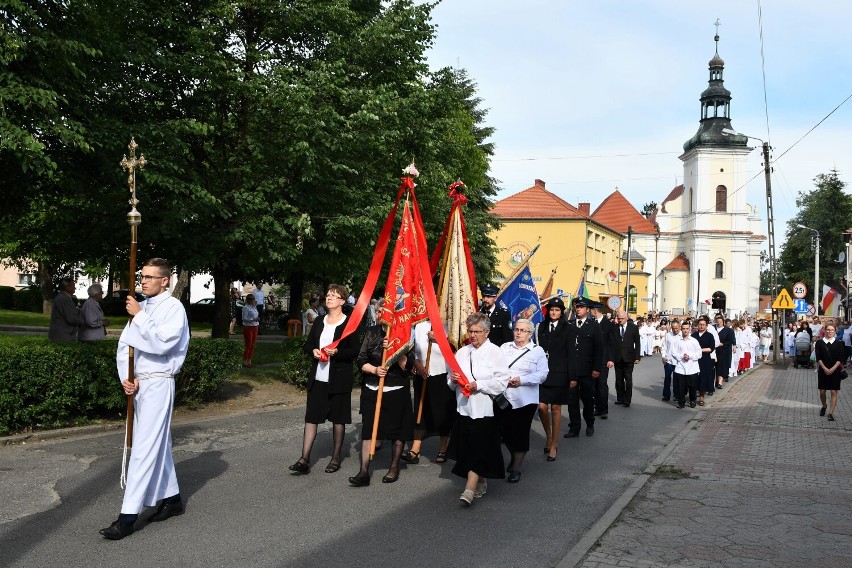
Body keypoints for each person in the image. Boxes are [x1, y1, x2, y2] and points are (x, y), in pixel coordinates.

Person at [100, 258, 190, 540]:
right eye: (142, 276)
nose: (144, 281)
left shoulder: (173, 308)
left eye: (151, 277)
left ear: (166, 281)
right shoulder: (142, 306)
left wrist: (139, 315)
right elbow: (126, 345)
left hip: (160, 383)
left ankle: (127, 516)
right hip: (140, 385)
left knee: (143, 446)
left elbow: (163, 343)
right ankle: (172, 499)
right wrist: (127, 376)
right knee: (157, 443)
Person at [289, 285, 360, 475]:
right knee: (311, 418)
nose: (329, 298)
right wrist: (312, 350)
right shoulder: (320, 320)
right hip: (318, 377)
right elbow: (308, 344)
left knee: (338, 419)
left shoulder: (349, 324)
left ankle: (336, 457)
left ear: (342, 301)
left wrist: (337, 351)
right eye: (328, 295)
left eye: (334, 296)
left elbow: (354, 351)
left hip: (339, 379)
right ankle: (304, 459)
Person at [349, 305, 415, 486]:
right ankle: (363, 472)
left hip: (395, 390)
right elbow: (361, 359)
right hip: (372, 388)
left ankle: (394, 467)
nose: (380, 315)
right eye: (378, 312)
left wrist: (396, 351)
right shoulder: (371, 332)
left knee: (397, 431)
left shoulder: (405, 334)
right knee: (368, 430)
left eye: (383, 312)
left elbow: (409, 367)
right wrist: (374, 369)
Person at [449, 312, 510, 506]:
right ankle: (480, 479)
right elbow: (451, 379)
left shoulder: (496, 352)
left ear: (487, 332)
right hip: (464, 408)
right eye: (470, 331)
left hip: (485, 408)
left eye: (476, 331)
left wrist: (479, 385)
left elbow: (502, 382)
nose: (472, 335)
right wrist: (453, 380)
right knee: (467, 447)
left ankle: (469, 488)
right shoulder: (462, 352)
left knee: (477, 447)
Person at [498, 318, 548, 483]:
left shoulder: (537, 351)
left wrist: (522, 380)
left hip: (525, 400)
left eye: (522, 330)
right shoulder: (505, 347)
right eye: (516, 329)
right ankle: (514, 457)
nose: (518, 333)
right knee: (505, 433)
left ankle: (517, 468)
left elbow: (542, 374)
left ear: (530, 333)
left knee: (520, 433)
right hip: (504, 398)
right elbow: (495, 367)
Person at [403, 320, 457, 465]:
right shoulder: (420, 325)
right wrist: (417, 364)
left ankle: (443, 448)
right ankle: (415, 448)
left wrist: (439, 339)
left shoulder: (451, 324)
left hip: (443, 373)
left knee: (442, 412)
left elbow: (456, 349)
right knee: (421, 412)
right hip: (423, 373)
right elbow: (412, 349)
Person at [564, 297, 604, 438]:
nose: (578, 309)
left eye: (581, 307)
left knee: (587, 400)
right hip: (572, 371)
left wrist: (597, 369)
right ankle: (574, 427)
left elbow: (599, 349)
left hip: (587, 371)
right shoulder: (568, 325)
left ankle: (590, 423)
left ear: (587, 309)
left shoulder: (593, 326)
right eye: (577, 307)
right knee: (572, 401)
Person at [536, 297, 570, 461]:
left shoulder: (568, 328)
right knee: (542, 407)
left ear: (562, 312)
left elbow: (571, 354)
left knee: (556, 408)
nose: (554, 312)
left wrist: (573, 376)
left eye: (557, 310)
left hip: (560, 374)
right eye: (551, 310)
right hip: (543, 374)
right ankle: (548, 436)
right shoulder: (540, 327)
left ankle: (554, 444)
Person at [815, 323, 845, 422]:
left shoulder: (839, 343)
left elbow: (840, 358)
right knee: (822, 391)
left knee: (833, 391)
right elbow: (818, 357)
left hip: (835, 370)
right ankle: (824, 405)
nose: (830, 331)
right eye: (828, 330)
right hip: (823, 370)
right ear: (825, 330)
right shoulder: (819, 342)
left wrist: (832, 369)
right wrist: (824, 368)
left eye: (832, 330)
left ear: (835, 331)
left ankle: (831, 413)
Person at [612, 310, 641, 408]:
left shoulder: (634, 328)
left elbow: (637, 343)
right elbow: (612, 344)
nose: (620, 320)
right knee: (619, 379)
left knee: (628, 379)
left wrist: (637, 357)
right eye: (618, 318)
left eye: (622, 318)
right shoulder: (614, 328)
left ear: (627, 318)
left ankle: (627, 400)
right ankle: (620, 398)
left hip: (629, 358)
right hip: (618, 358)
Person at [590, 302, 615, 418]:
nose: (590, 312)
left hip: (604, 359)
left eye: (591, 310)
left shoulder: (608, 324)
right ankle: (597, 407)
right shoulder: (591, 323)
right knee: (594, 385)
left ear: (595, 310)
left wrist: (611, 359)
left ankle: (604, 409)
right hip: (592, 359)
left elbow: (611, 343)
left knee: (602, 384)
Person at [671, 321, 702, 408]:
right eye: (683, 329)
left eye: (687, 329)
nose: (685, 330)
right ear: (681, 329)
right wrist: (682, 356)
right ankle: (681, 402)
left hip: (692, 367)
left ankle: (692, 400)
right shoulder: (678, 341)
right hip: (681, 367)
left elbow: (699, 353)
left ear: (690, 330)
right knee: (681, 386)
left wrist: (690, 356)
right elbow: (673, 352)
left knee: (692, 386)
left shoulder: (694, 341)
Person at [48, 277, 82, 342]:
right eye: (73, 286)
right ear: (67, 287)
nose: (75, 288)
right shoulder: (65, 299)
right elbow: (71, 318)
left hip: (60, 334)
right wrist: (85, 322)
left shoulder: (62, 297)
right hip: (63, 335)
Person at [692, 317, 716, 406]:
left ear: (706, 326)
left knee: (703, 378)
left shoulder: (709, 336)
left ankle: (702, 397)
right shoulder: (694, 336)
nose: (701, 326)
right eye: (700, 325)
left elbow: (711, 348)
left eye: (703, 325)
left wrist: (700, 350)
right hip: (694, 360)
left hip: (705, 359)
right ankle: (693, 396)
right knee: (694, 378)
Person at [660, 320, 681, 401]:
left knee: (677, 379)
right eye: (673, 328)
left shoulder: (682, 335)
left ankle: (676, 395)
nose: (675, 330)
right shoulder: (668, 335)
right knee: (667, 378)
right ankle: (666, 395)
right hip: (669, 361)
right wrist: (663, 356)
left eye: (676, 328)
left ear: (679, 326)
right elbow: (664, 347)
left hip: (678, 361)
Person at [714, 315, 736, 389]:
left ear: (723, 322)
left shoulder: (728, 330)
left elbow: (731, 340)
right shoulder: (713, 329)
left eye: (720, 322)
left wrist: (723, 344)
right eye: (718, 322)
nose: (719, 323)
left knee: (722, 366)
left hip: (724, 350)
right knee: (715, 366)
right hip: (715, 350)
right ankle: (716, 380)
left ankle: (720, 381)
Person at [241, 294, 260, 367]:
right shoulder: (245, 308)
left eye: (253, 299)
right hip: (248, 327)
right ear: (247, 300)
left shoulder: (254, 307)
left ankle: (249, 361)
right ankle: (245, 361)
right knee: (248, 344)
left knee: (252, 344)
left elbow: (255, 315)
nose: (252, 300)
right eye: (250, 299)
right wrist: (253, 319)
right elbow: (244, 318)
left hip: (255, 326)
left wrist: (257, 319)